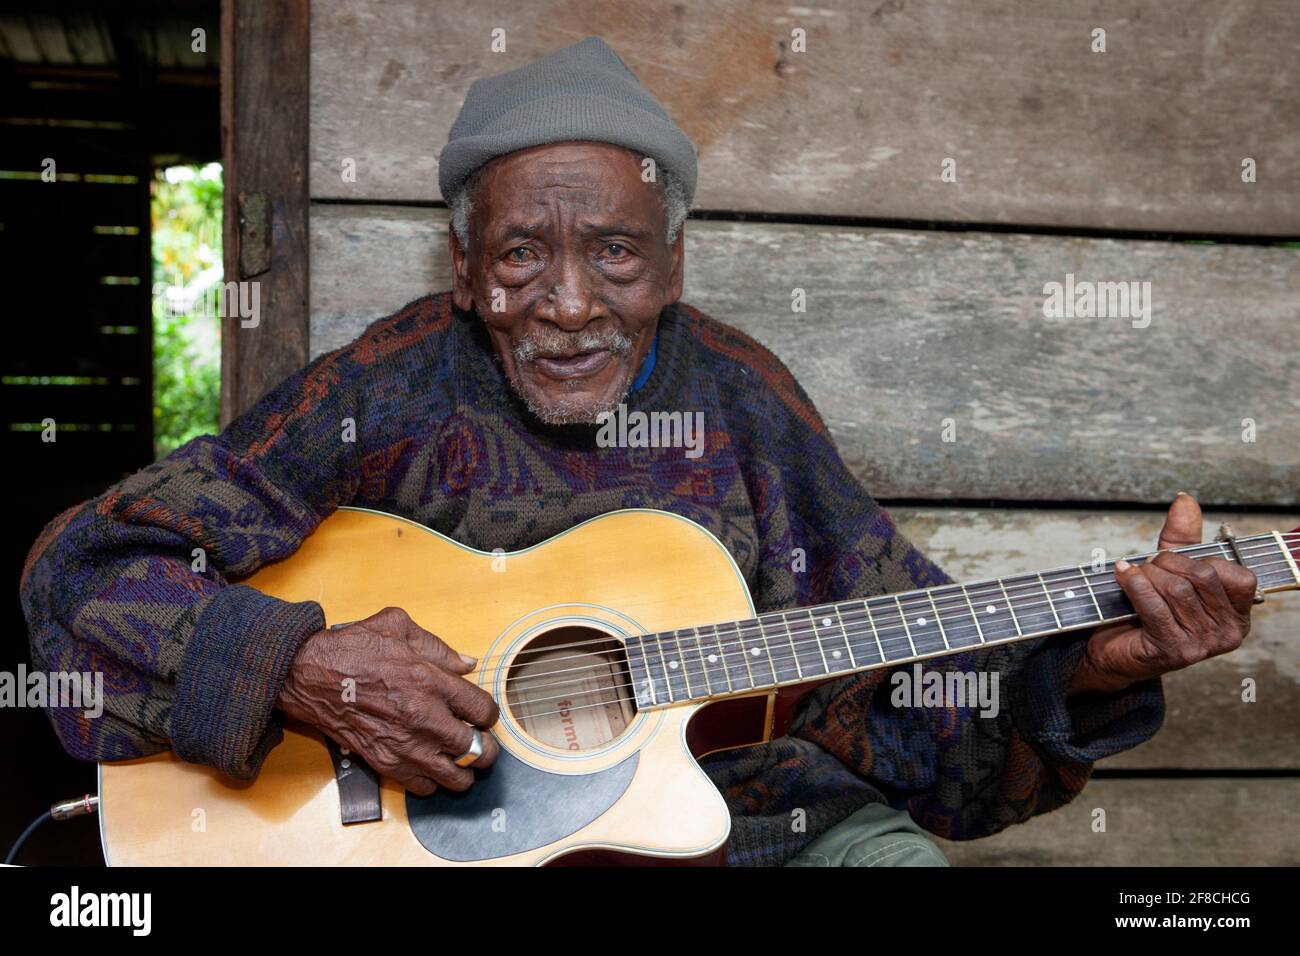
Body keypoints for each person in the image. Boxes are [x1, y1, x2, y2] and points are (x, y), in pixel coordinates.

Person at [20, 38, 1256, 866]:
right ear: (465, 271)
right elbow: (78, 570)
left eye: (614, 252)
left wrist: (1089, 669)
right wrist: (297, 662)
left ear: (672, 263)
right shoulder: (382, 388)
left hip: (750, 823)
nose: (567, 303)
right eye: (519, 256)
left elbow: (912, 700)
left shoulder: (743, 399)